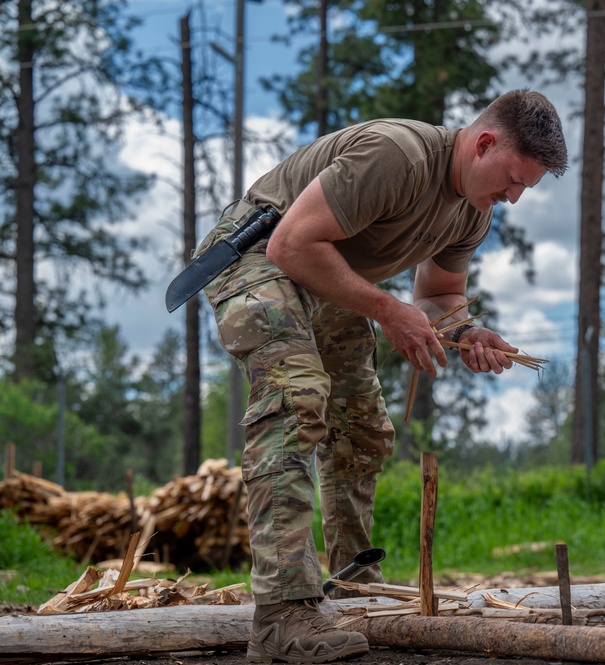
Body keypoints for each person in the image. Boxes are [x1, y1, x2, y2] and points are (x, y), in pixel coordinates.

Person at [193, 89, 568, 663]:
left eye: (525, 189)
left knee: (361, 427)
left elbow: (440, 294)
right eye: (513, 180)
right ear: (484, 143)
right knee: (296, 400)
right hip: (258, 253)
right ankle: (281, 616)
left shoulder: (473, 208)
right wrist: (389, 311)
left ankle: (351, 588)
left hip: (321, 269)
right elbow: (291, 243)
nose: (513, 198)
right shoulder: (398, 156)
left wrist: (469, 332)